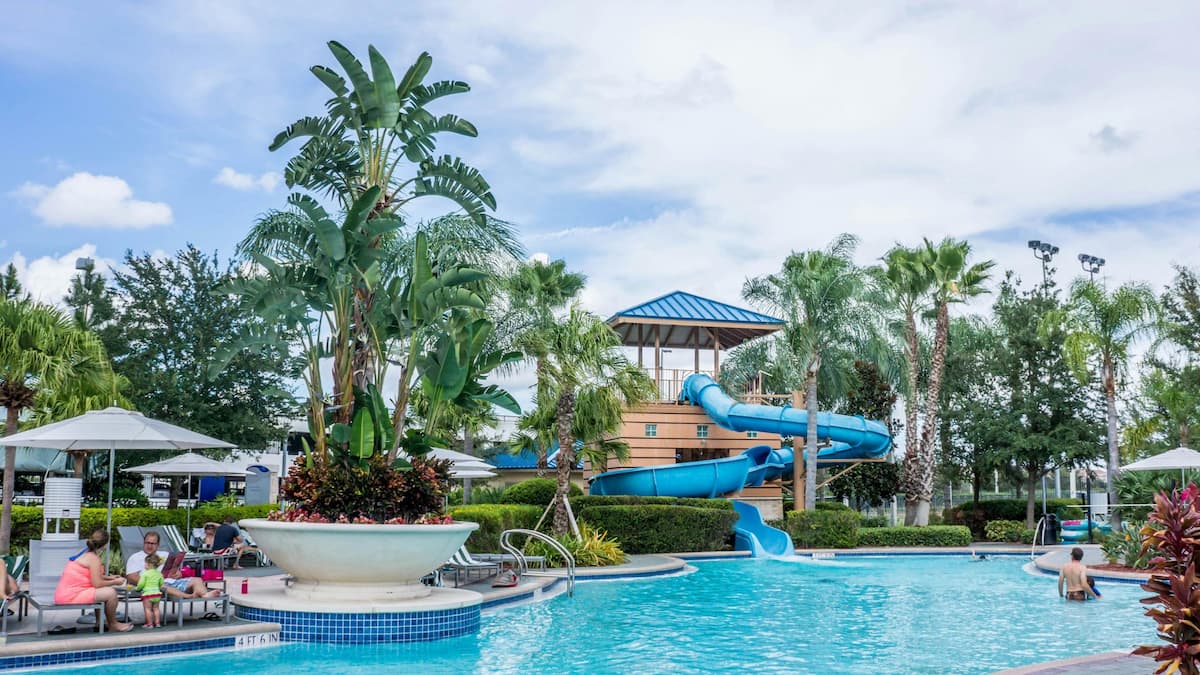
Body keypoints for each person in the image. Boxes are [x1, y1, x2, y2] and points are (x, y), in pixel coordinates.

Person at [53, 529, 133, 632]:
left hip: (66, 594)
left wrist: (110, 578)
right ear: (105, 545)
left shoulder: (85, 552)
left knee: (104, 590)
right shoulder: (93, 558)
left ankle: (99, 623)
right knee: (111, 593)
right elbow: (97, 583)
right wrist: (115, 582)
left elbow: (93, 575)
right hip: (71, 596)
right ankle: (113, 624)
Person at [125, 531, 221, 599]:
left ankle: (204, 595)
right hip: (153, 585)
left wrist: (178, 573)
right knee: (161, 585)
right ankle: (188, 596)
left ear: (158, 544)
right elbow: (130, 576)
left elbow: (174, 569)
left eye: (153, 543)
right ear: (144, 543)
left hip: (171, 582)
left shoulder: (165, 555)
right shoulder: (136, 557)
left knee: (197, 580)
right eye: (147, 543)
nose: (149, 546)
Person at [136, 554, 164, 628]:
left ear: (149, 564)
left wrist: (137, 589)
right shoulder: (159, 574)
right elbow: (161, 583)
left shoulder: (145, 574)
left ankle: (149, 624)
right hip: (157, 594)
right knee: (156, 609)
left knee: (147, 609)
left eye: (145, 563)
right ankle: (157, 623)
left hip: (148, 594)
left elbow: (141, 584)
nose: (144, 565)